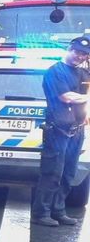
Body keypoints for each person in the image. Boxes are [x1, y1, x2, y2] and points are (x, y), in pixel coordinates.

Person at [34, 36, 90, 227]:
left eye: (84, 54)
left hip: (77, 130)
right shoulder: (55, 71)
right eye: (77, 52)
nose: (80, 56)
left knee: (68, 174)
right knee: (52, 173)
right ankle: (41, 213)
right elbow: (67, 97)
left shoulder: (83, 73)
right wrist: (86, 99)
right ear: (69, 49)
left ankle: (58, 211)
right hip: (57, 131)